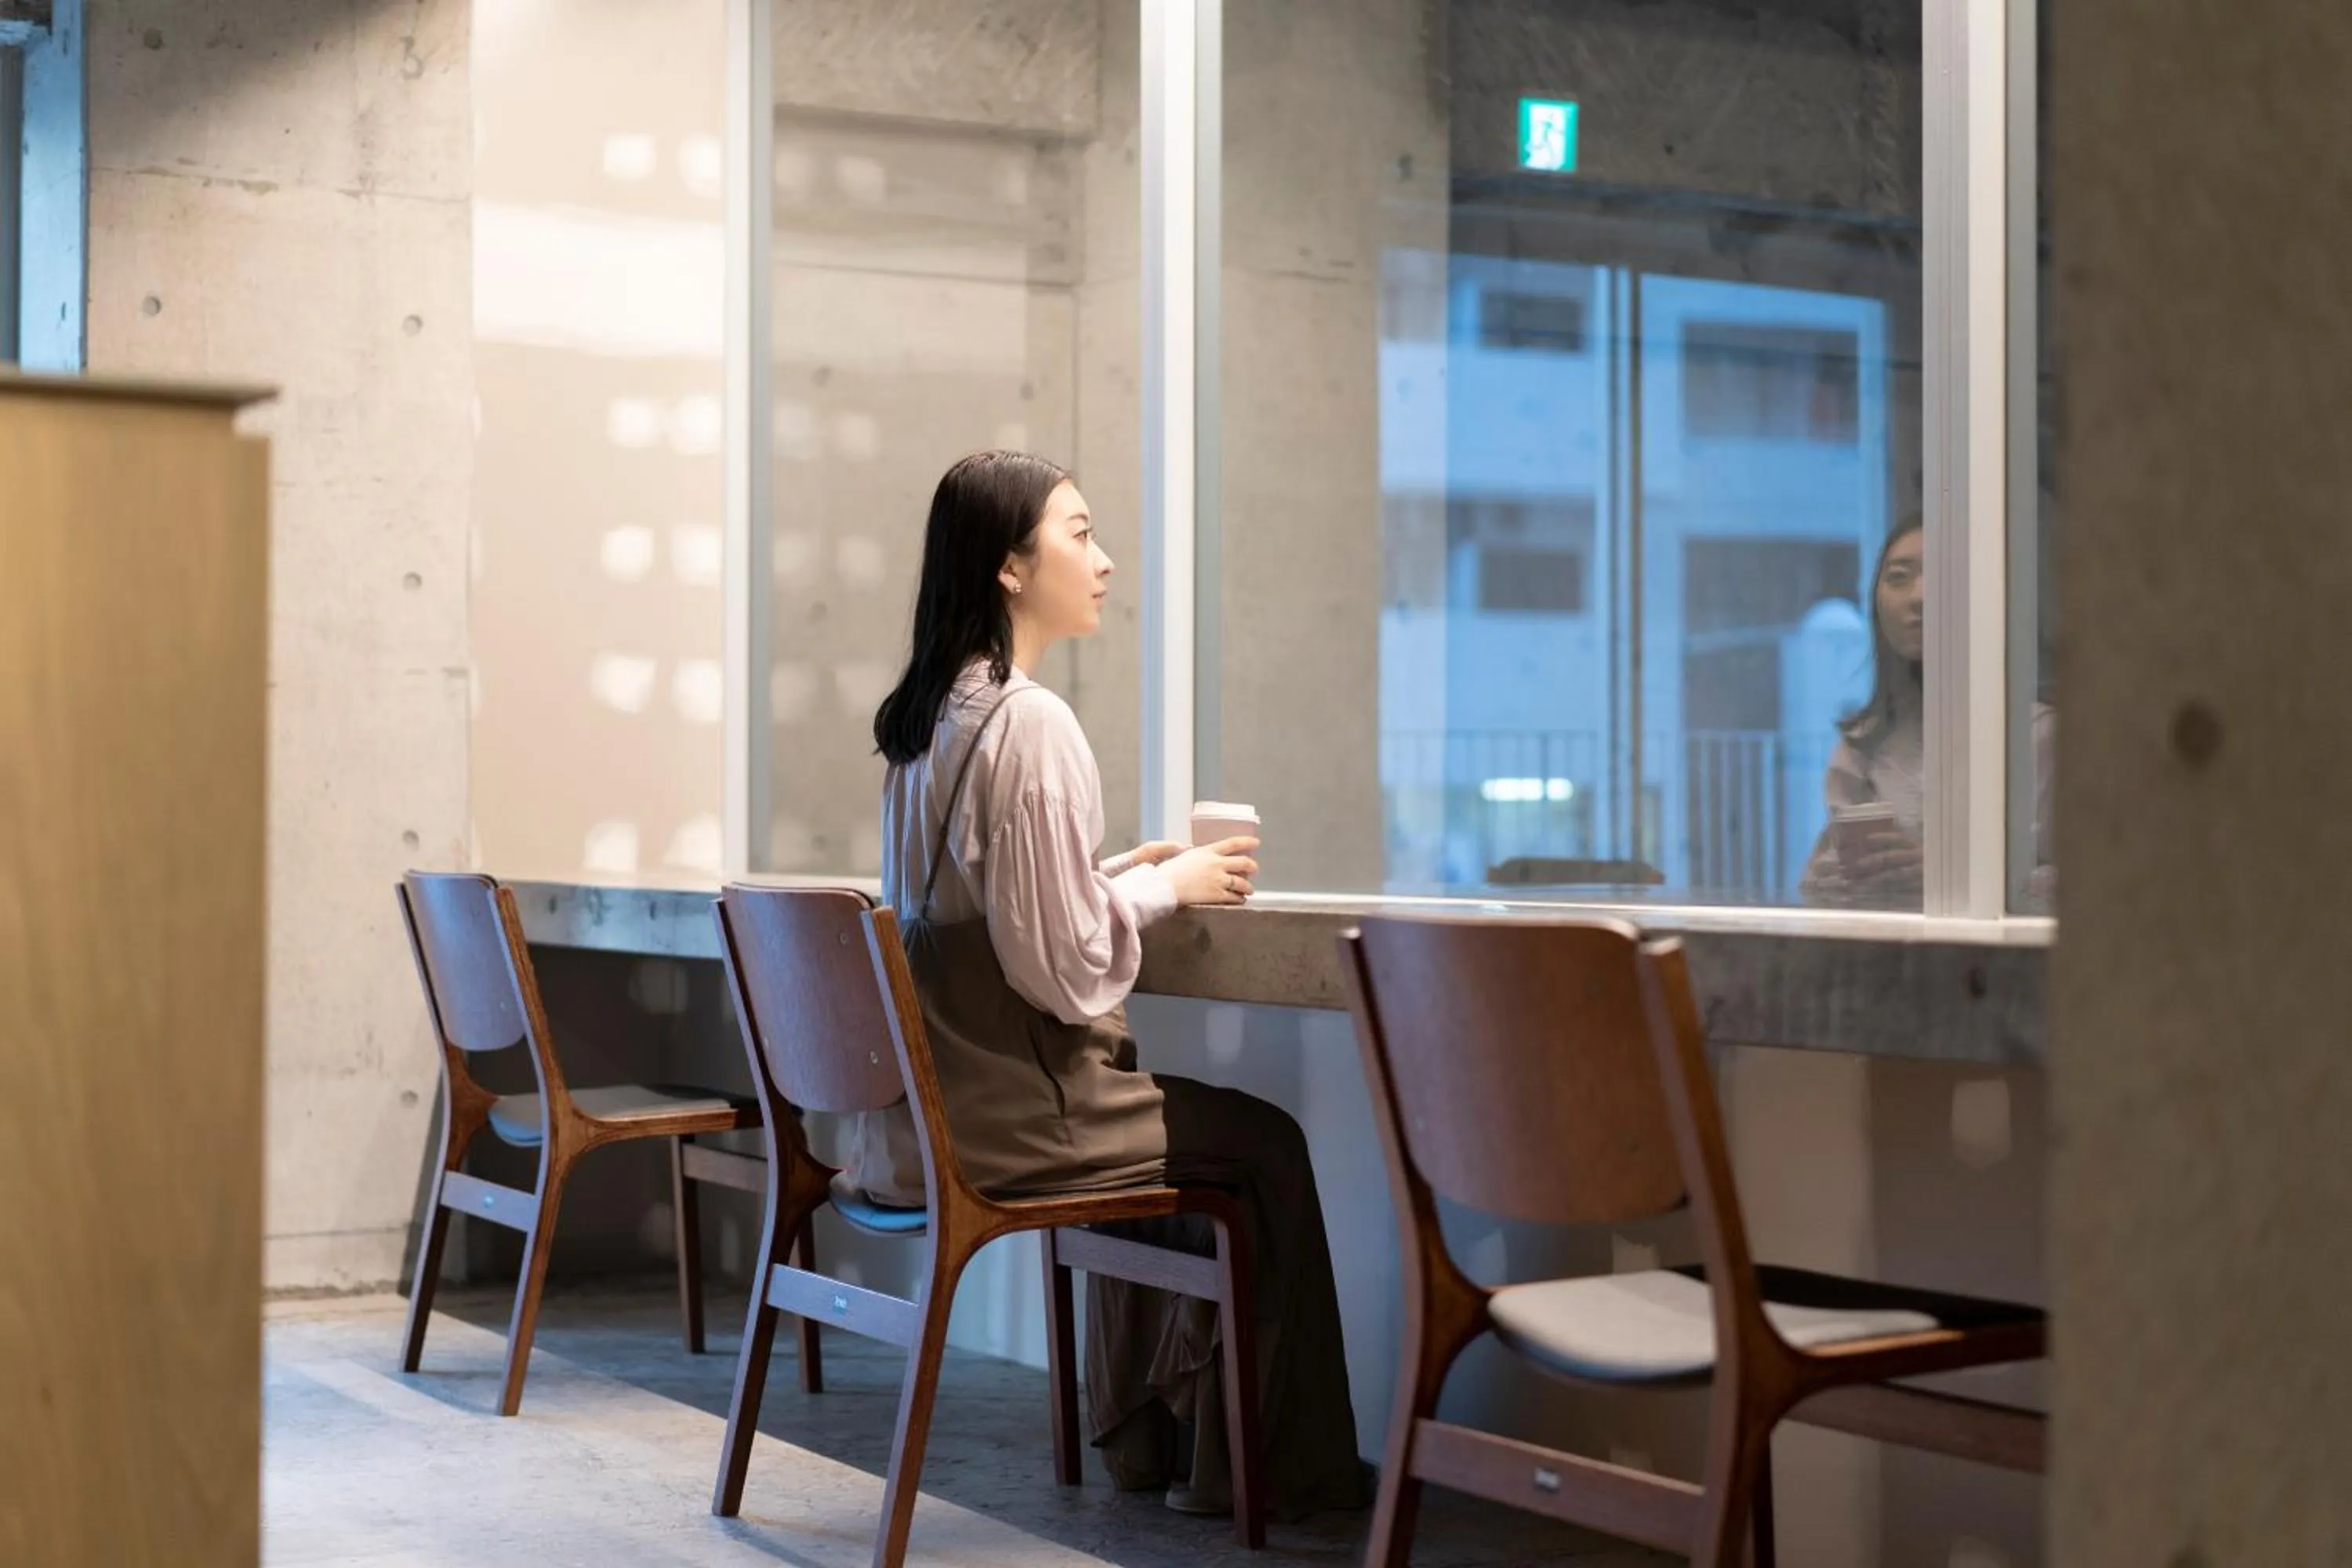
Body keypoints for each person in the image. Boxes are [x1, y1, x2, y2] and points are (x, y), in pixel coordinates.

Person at [851, 450, 1370, 1518]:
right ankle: (1272, 1474)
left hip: (934, 1112)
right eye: (1080, 533)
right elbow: (1066, 971)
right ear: (1009, 565)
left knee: (1173, 1123)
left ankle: (1147, 1440)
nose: (1106, 559)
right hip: (1017, 1122)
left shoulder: (930, 723)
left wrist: (1096, 880)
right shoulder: (1031, 724)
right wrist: (1167, 889)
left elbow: (986, 916)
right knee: (1264, 1147)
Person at [1798, 516, 2056, 910]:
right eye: (1899, 577)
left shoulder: (2037, 736)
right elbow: (1821, 880)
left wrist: (1949, 878)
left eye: (1943, 575)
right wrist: (1829, 883)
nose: (1918, 596)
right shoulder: (1860, 747)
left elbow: (2089, 884)